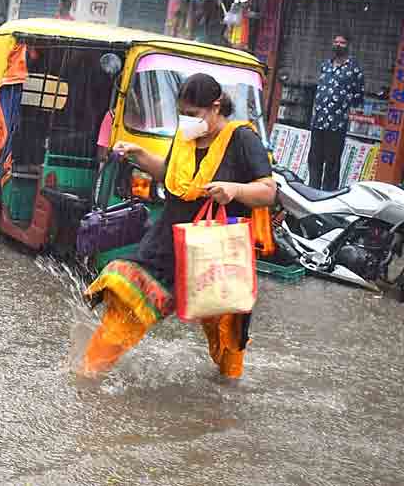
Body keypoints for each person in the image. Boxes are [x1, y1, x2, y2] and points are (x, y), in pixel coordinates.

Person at [78, 73, 276, 380]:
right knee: (126, 306)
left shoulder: (243, 140)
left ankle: (227, 391)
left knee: (227, 334)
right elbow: (169, 176)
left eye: (193, 114)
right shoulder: (185, 137)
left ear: (216, 106)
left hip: (215, 255)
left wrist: (234, 190)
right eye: (182, 114)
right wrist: (139, 154)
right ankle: (87, 375)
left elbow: (268, 191)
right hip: (166, 246)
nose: (187, 120)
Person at [309, 33, 364, 191]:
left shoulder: (354, 69)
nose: (338, 44)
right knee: (314, 159)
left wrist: (342, 103)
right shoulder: (325, 65)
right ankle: (312, 190)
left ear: (348, 45)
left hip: (337, 123)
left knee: (332, 163)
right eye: (336, 41)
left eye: (342, 42)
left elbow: (358, 96)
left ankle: (328, 194)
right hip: (319, 121)